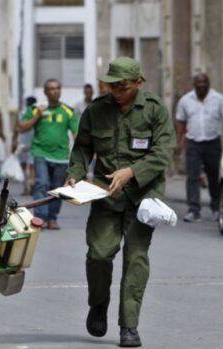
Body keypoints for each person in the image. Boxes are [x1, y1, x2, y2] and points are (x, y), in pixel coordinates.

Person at [66, 57, 175, 348]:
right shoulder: (96, 110)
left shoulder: (154, 110)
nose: (116, 91)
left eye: (122, 86)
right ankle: (98, 304)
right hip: (105, 195)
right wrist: (75, 175)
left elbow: (164, 152)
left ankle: (129, 326)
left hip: (143, 198)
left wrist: (132, 172)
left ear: (139, 83)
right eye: (112, 85)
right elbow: (82, 148)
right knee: (99, 255)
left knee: (135, 259)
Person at [18, 79, 79, 230]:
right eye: (51, 89)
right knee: (41, 184)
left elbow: (76, 133)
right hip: (41, 153)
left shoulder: (67, 111)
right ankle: (40, 218)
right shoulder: (35, 109)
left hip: (61, 156)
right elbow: (22, 127)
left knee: (58, 189)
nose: (55, 91)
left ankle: (52, 218)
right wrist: (37, 115)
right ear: (45, 92)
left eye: (57, 88)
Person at [175, 73, 223, 222]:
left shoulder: (219, 99)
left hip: (213, 142)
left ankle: (216, 207)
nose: (202, 86)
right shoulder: (185, 101)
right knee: (192, 177)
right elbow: (181, 123)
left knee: (214, 176)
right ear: (194, 85)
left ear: (209, 83)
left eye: (204, 83)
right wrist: (179, 143)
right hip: (193, 142)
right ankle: (193, 210)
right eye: (198, 84)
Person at [12, 96, 37, 195]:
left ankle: (25, 188)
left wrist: (13, 142)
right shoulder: (38, 114)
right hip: (34, 142)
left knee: (23, 166)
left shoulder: (21, 113)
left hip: (21, 143)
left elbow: (16, 128)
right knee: (32, 166)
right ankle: (32, 184)